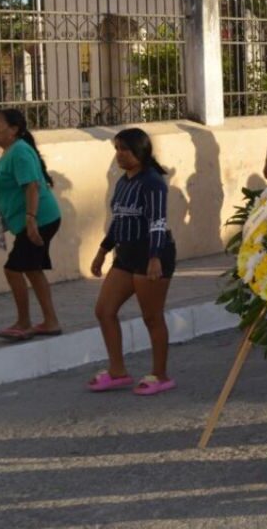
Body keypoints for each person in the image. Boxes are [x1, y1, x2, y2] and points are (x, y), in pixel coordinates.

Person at [88, 128, 178, 395]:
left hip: (151, 255)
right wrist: (103, 251)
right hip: (124, 256)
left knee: (151, 317)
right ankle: (117, 371)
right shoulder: (123, 182)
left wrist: (154, 257)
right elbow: (119, 220)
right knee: (104, 310)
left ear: (141, 151)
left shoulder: (153, 182)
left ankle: (160, 375)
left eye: (125, 149)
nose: (120, 155)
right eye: (116, 149)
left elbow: (158, 222)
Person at [0, 109, 63, 341]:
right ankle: (50, 321)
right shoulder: (11, 152)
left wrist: (31, 220)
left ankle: (23, 322)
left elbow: (32, 186)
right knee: (31, 268)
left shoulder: (19, 152)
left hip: (39, 219)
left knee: (13, 269)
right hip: (34, 219)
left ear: (14, 130)